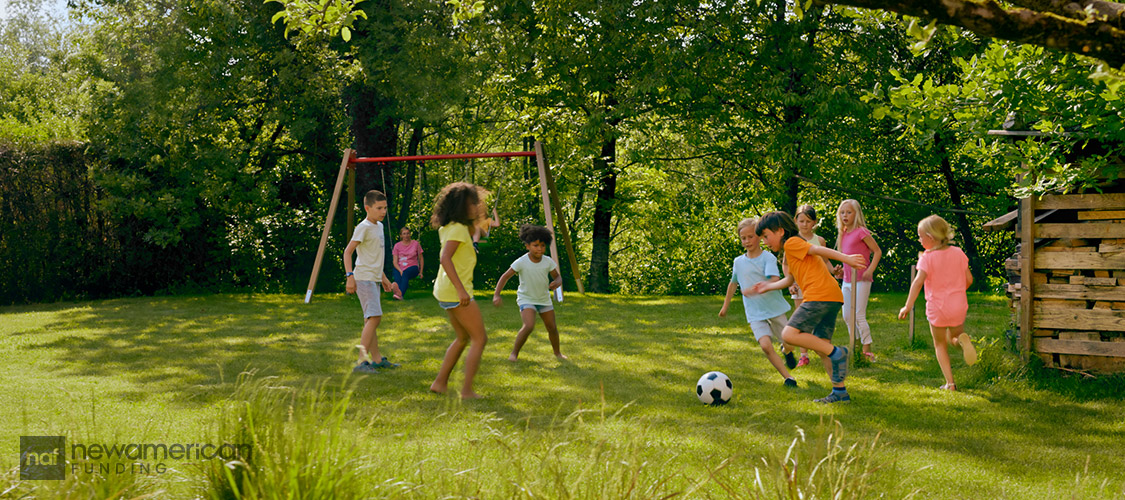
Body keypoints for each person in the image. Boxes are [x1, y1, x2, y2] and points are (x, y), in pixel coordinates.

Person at [753, 211, 866, 404]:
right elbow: (790, 279)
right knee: (822, 348)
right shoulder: (790, 251)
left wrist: (845, 259)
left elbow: (819, 250)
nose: (764, 241)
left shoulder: (792, 243)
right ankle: (840, 393)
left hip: (818, 295)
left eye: (765, 236)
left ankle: (839, 352)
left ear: (780, 231)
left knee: (789, 335)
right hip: (831, 296)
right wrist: (768, 286)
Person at [898, 215, 977, 390]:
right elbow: (969, 279)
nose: (919, 240)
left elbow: (918, 282)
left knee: (940, 344)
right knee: (954, 337)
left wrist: (908, 305)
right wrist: (956, 292)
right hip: (958, 304)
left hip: (938, 308)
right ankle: (963, 341)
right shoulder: (958, 253)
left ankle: (950, 383)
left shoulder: (927, 258)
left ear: (930, 237)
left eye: (920, 236)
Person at [718, 218, 797, 387]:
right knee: (766, 346)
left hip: (774, 308)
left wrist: (756, 289)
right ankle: (788, 378)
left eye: (750, 237)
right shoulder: (738, 262)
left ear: (760, 237)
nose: (747, 241)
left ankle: (787, 350)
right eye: (743, 238)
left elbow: (775, 279)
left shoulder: (767, 258)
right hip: (755, 313)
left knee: (790, 342)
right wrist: (725, 306)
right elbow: (733, 284)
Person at [429, 182, 489, 399]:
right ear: (461, 206)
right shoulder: (457, 229)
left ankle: (440, 383)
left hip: (446, 290)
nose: (477, 206)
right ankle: (466, 391)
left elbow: (480, 227)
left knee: (463, 337)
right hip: (455, 292)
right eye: (472, 203)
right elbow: (444, 258)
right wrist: (461, 290)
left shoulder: (453, 227)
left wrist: (478, 215)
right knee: (479, 339)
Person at [343, 190, 401, 374]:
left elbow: (375, 257)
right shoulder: (364, 227)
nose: (383, 211)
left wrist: (383, 279)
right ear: (367, 208)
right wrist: (349, 276)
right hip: (363, 278)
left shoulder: (379, 226)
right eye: (379, 208)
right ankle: (362, 361)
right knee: (374, 318)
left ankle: (376, 359)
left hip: (374, 278)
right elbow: (347, 252)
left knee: (371, 319)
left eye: (385, 208)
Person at [493, 224, 568, 362]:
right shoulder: (521, 262)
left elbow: (558, 277)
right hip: (526, 299)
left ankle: (557, 353)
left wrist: (557, 282)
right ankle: (514, 354)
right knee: (529, 326)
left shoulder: (548, 262)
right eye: (536, 245)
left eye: (543, 245)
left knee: (552, 327)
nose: (540, 249)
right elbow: (505, 276)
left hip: (544, 299)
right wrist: (497, 294)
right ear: (527, 246)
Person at [835, 199, 882, 362]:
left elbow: (877, 251)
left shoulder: (861, 232)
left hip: (862, 279)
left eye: (849, 212)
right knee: (847, 315)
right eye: (842, 212)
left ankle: (867, 349)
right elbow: (845, 257)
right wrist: (841, 272)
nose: (845, 215)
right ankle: (853, 344)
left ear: (856, 214)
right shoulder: (843, 233)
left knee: (859, 315)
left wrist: (870, 270)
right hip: (847, 280)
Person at [789, 204, 832, 369]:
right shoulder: (793, 240)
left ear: (814, 222)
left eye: (808, 221)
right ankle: (803, 355)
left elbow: (826, 260)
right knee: (800, 322)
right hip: (800, 286)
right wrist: (791, 283)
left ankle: (824, 350)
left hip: (817, 287)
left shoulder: (819, 241)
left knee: (819, 320)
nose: (804, 224)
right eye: (801, 221)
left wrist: (834, 271)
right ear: (796, 221)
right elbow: (789, 265)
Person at [391, 227, 424, 299]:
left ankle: (400, 294)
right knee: (397, 278)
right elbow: (395, 261)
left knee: (405, 274)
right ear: (401, 235)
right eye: (404, 234)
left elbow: (421, 259)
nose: (406, 235)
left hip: (413, 267)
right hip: (399, 267)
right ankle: (397, 291)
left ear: (410, 234)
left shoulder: (415, 244)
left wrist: (421, 272)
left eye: (408, 233)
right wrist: (400, 270)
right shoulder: (397, 246)